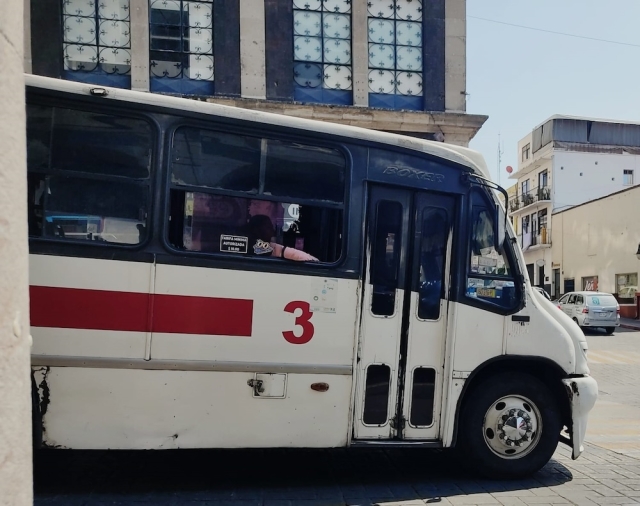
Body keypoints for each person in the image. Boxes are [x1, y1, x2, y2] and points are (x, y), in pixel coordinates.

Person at [247, 214, 318, 262]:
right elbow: (285, 252)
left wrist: (315, 262)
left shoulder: (269, 245)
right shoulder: (249, 244)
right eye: (268, 228)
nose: (273, 231)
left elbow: (287, 252)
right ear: (256, 229)